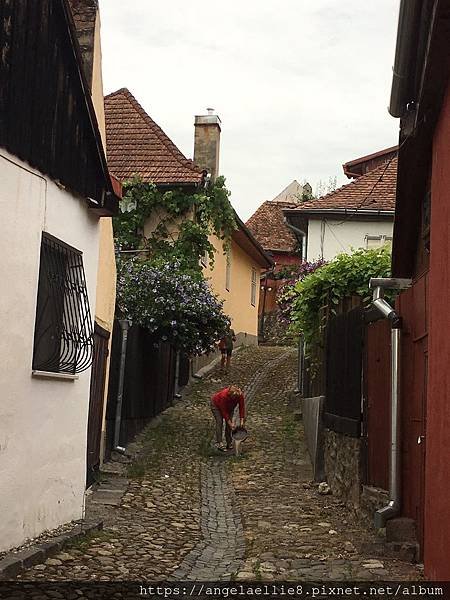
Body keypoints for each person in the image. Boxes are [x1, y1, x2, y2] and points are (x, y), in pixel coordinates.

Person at [210, 385, 246, 451]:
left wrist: (242, 421)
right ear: (231, 395)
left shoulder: (239, 394)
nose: (236, 398)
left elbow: (242, 408)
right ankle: (219, 443)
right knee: (219, 422)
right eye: (234, 397)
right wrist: (230, 423)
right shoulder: (224, 396)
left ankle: (229, 443)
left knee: (229, 426)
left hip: (230, 407)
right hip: (216, 405)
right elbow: (224, 412)